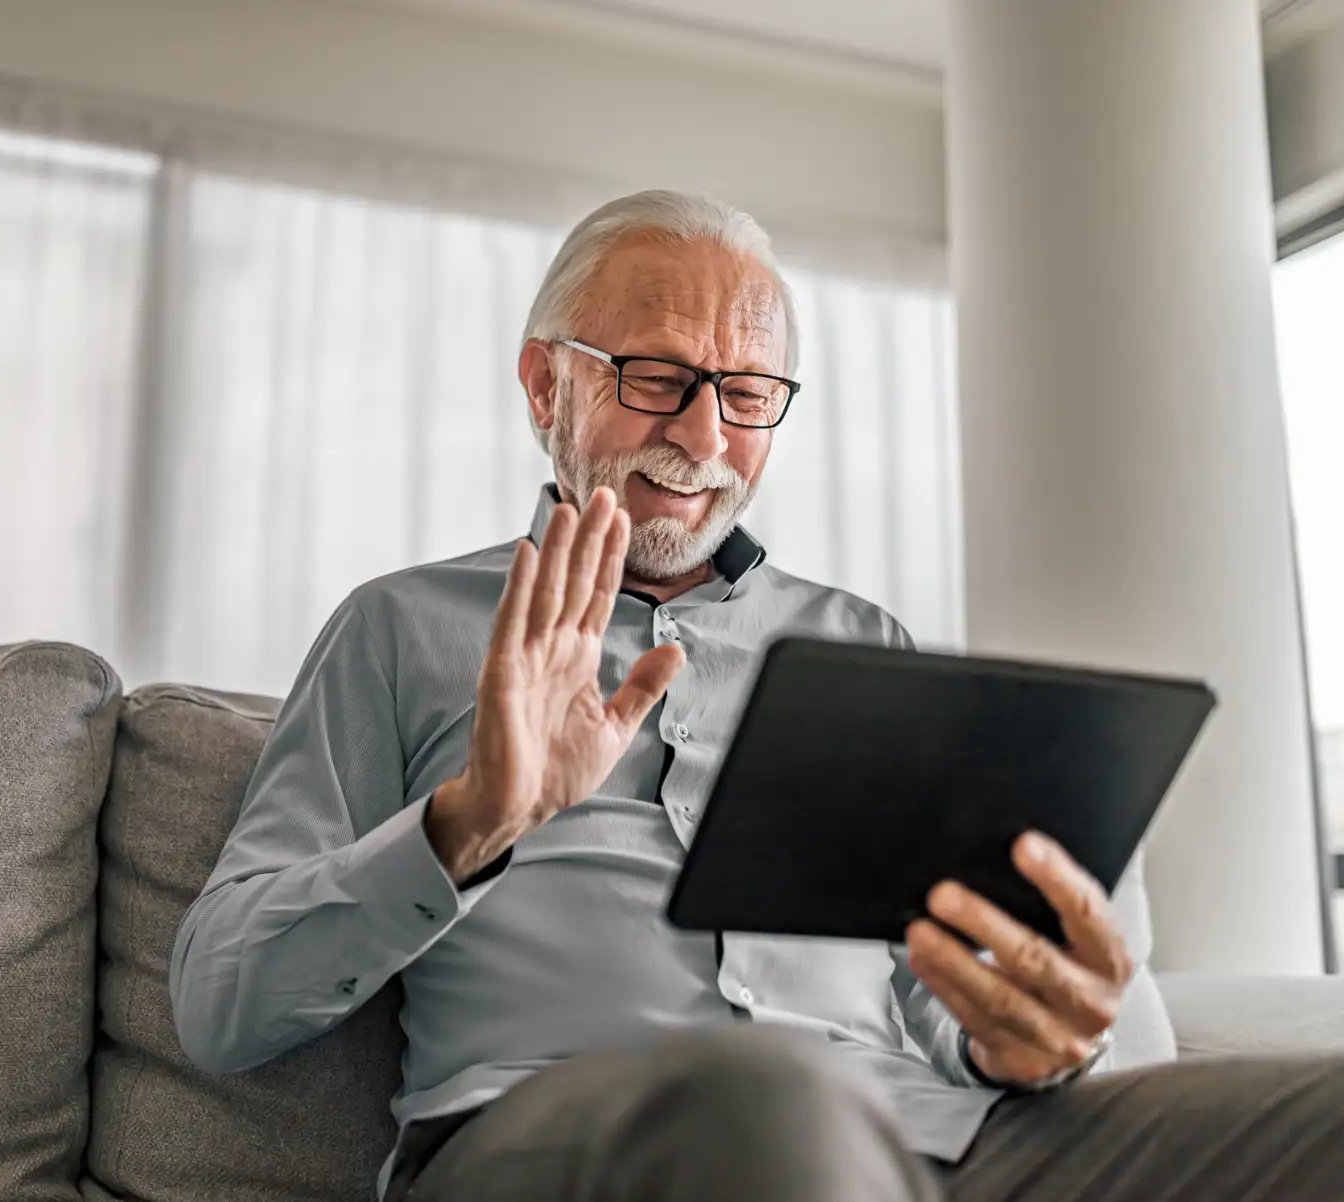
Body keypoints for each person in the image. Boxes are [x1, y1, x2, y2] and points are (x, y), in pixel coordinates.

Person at [169, 190, 1344, 1201]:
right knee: (772, 1095)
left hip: (912, 1134)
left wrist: (1021, 1039)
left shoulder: (863, 643)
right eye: (657, 377)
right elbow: (221, 1001)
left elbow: (934, 1000)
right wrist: (471, 821)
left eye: (748, 393)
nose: (704, 435)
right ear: (545, 382)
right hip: (553, 1133)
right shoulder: (398, 628)